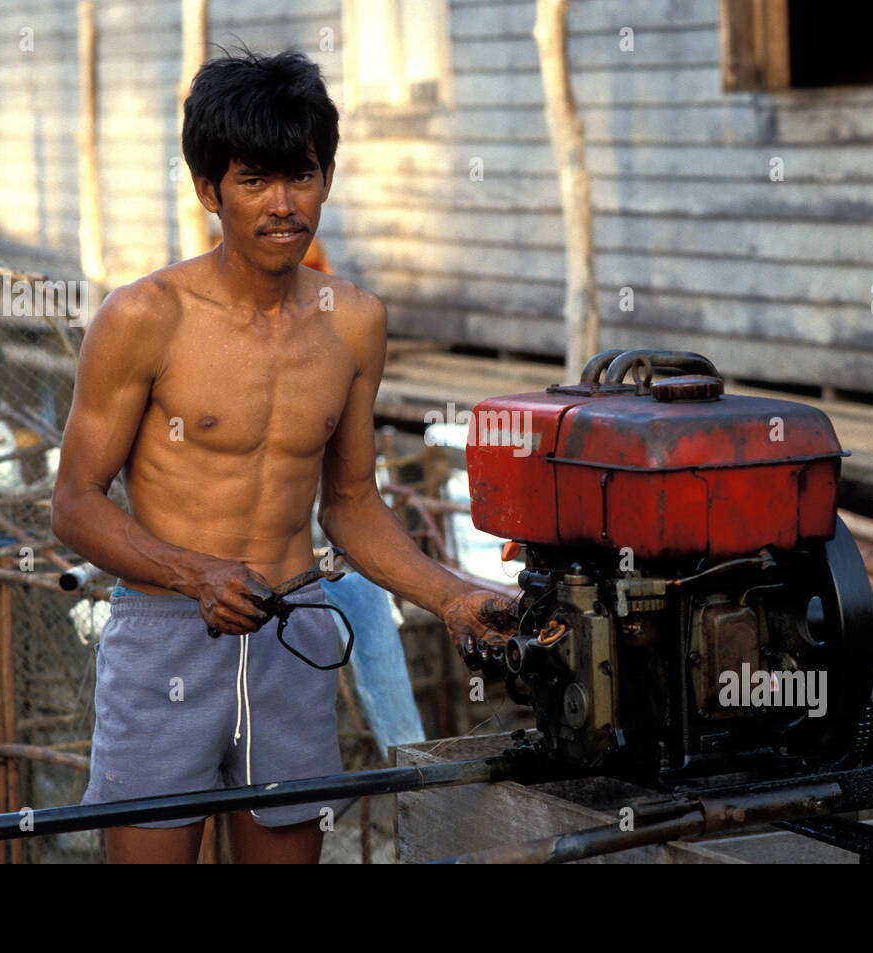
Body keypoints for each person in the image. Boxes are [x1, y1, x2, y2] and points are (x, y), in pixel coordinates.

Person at [50, 48, 518, 864]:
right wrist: (194, 573)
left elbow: (351, 504)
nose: (282, 206)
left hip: (292, 631)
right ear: (209, 191)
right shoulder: (143, 316)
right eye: (254, 181)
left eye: (299, 177)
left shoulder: (354, 322)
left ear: (327, 176)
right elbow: (76, 502)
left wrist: (452, 596)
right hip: (165, 634)